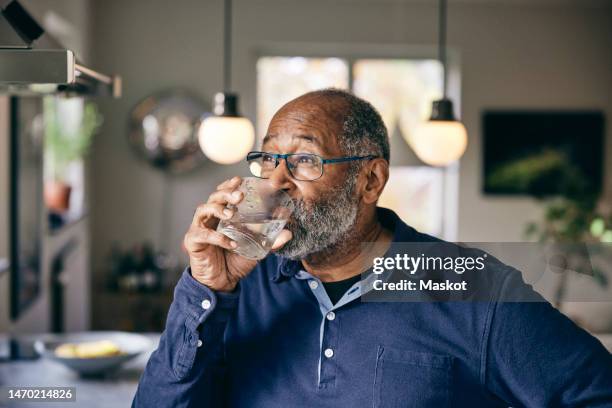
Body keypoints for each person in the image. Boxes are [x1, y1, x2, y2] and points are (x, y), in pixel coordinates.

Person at [133, 89, 612, 407]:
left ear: (370, 180)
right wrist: (205, 289)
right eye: (268, 158)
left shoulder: (474, 288)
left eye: (303, 160)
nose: (275, 181)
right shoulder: (236, 284)